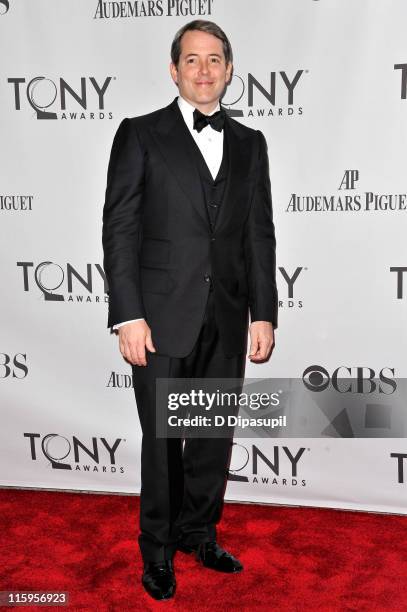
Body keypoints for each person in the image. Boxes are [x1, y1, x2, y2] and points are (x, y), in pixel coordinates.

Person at [102, 19, 278, 601]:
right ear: (174, 69)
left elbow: (259, 235)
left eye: (215, 60)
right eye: (192, 60)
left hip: (228, 314)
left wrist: (263, 311)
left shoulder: (251, 143)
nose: (204, 70)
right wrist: (128, 315)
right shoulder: (140, 134)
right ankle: (156, 551)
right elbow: (120, 230)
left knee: (209, 435)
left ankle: (198, 532)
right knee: (162, 439)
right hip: (158, 318)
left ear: (229, 70)